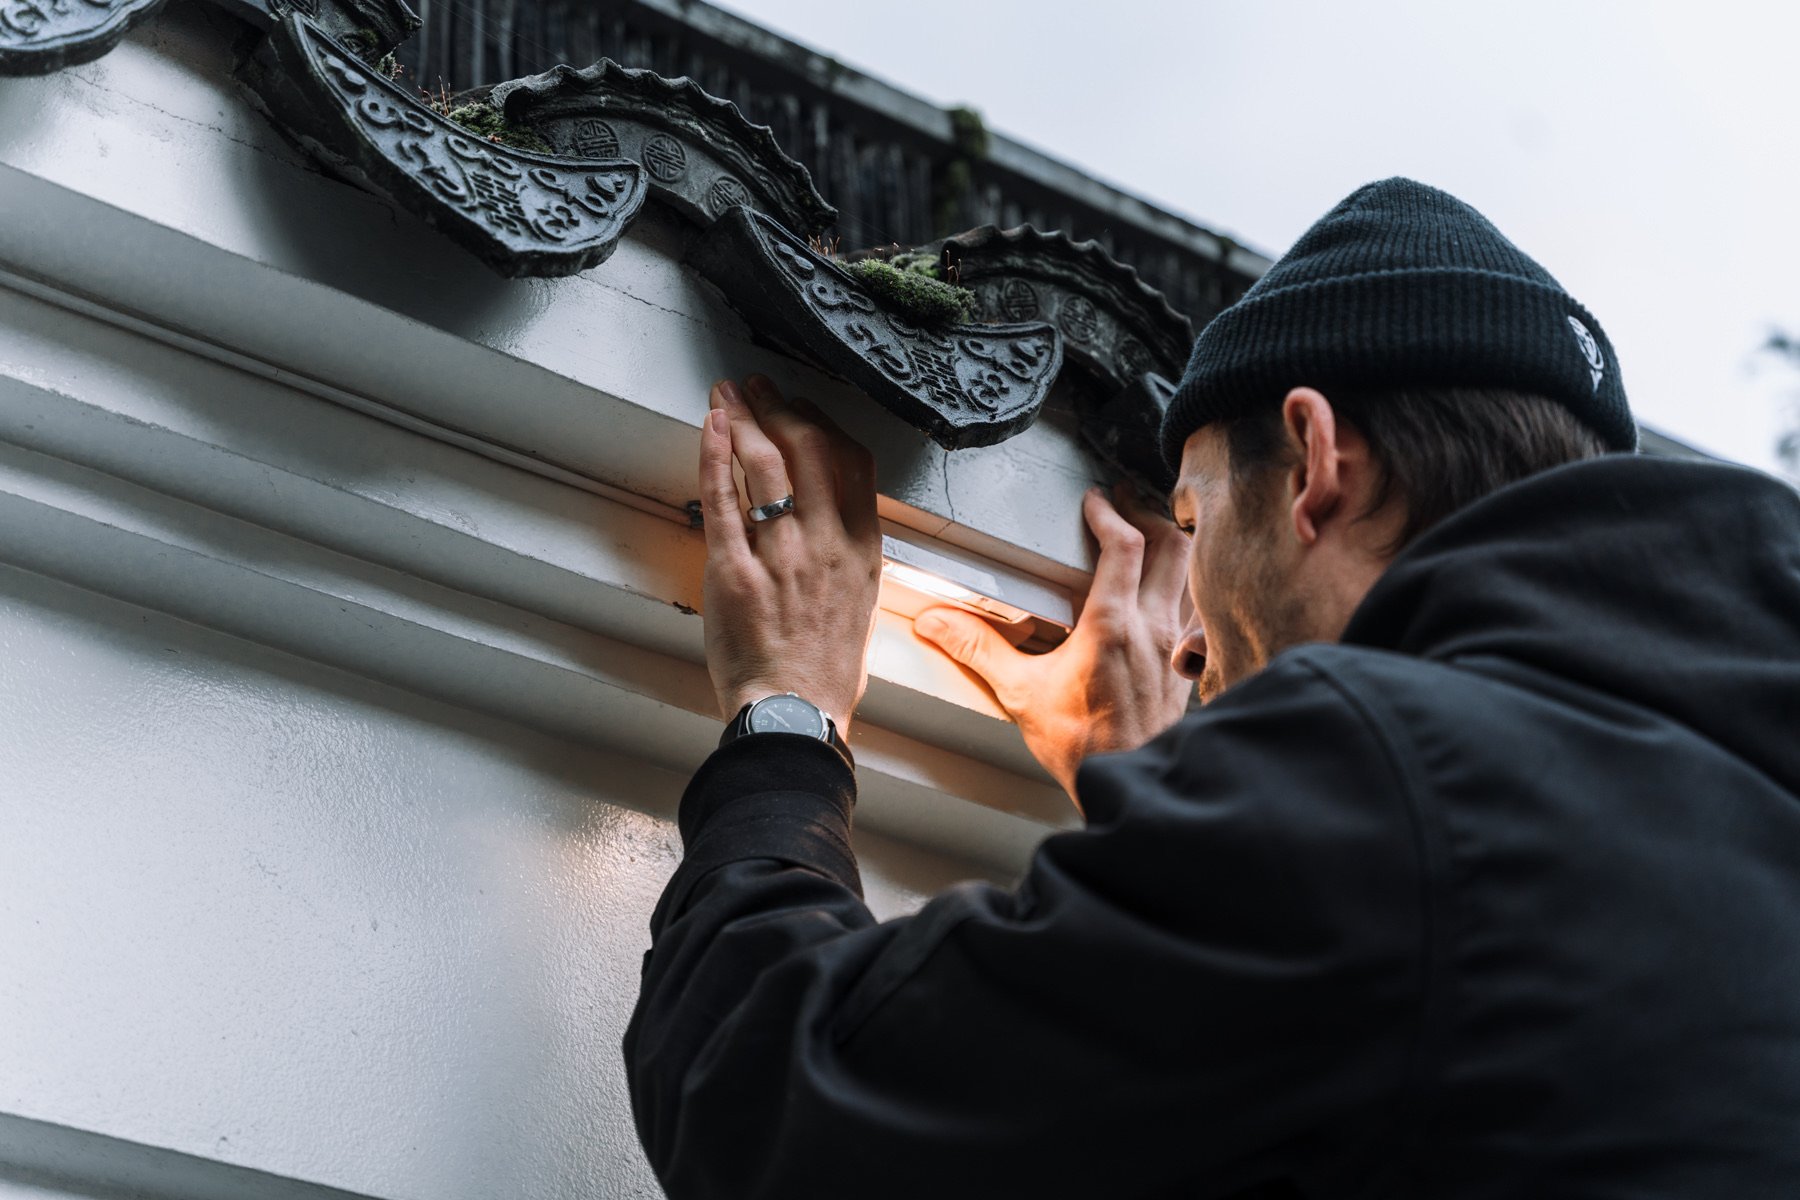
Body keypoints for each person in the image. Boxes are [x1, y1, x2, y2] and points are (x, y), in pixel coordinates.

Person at [622, 178, 1800, 1198]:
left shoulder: (1381, 796)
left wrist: (788, 708)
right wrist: (1166, 794)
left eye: (1192, 518)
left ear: (1318, 464)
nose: (1186, 638)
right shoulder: (1734, 781)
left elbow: (782, 1106)